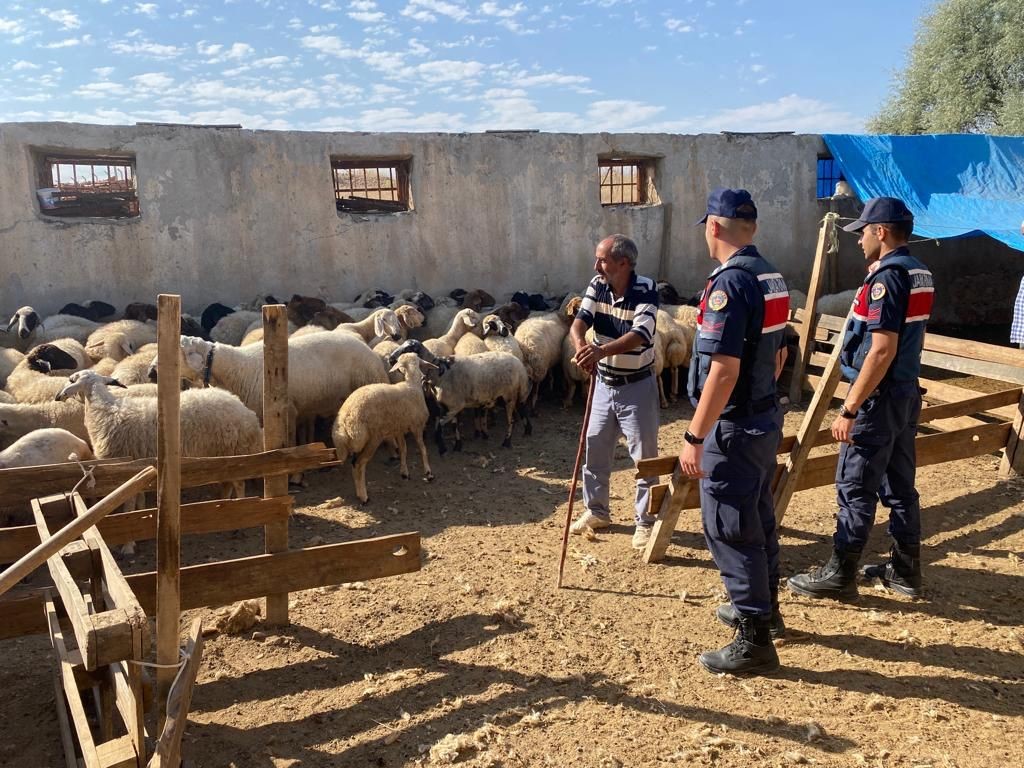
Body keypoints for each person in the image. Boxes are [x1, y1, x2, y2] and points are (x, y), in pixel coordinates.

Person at [788, 197, 934, 601]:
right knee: (901, 484)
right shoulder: (920, 271)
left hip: (877, 398)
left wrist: (850, 406)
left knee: (855, 485)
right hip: (905, 392)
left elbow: (881, 348)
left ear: (881, 232)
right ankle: (906, 570)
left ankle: (840, 572)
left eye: (864, 232)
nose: (859, 241)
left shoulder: (886, 279)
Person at [680, 188, 790, 676]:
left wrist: (695, 436)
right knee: (758, 514)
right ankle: (767, 608)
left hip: (735, 424)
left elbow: (722, 369)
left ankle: (754, 637)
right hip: (764, 415)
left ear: (714, 226)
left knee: (730, 524)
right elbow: (782, 352)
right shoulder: (770, 276)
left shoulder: (729, 284)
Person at [568, 234, 660, 550]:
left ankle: (646, 522)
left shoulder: (646, 289)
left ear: (623, 263)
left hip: (637, 385)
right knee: (594, 446)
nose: (596, 265)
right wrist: (582, 349)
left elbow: (641, 334)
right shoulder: (597, 285)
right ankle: (597, 511)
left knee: (644, 458)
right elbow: (578, 324)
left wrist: (600, 351)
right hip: (604, 384)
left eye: (603, 260)